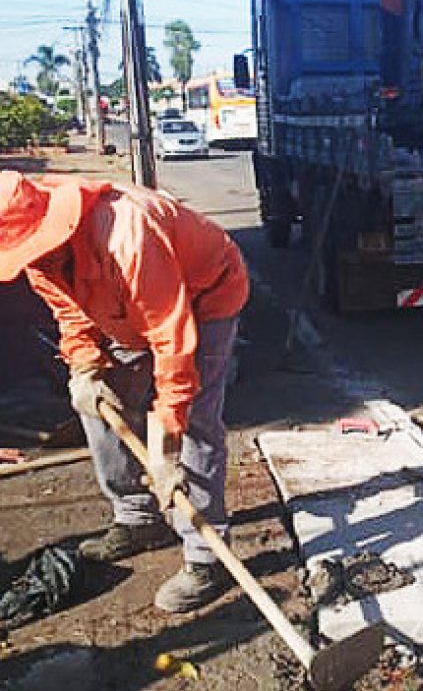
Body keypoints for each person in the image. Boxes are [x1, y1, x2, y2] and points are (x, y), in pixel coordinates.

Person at [0, 171, 249, 614]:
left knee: (192, 419)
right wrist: (85, 366)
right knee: (99, 403)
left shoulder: (127, 236)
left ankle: (207, 556)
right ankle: (138, 518)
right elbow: (70, 312)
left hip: (201, 295)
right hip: (120, 308)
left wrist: (166, 447)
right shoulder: (41, 257)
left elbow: (171, 343)